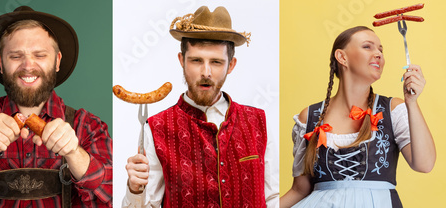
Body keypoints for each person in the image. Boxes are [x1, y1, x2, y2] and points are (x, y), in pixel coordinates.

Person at [0, 6, 113, 207]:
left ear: (57, 61)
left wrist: (74, 153)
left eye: (40, 55)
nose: (27, 66)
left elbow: (112, 194)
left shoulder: (88, 127)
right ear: (1, 63)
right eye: (16, 56)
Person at [122, 6, 278, 207]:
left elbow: (273, 198)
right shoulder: (156, 127)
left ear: (231, 65)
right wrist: (134, 189)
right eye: (196, 60)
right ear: (182, 61)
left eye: (216, 62)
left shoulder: (258, 121)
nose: (206, 72)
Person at [279, 26, 435, 208]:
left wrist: (412, 102)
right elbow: (300, 190)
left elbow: (424, 164)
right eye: (368, 47)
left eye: (381, 50)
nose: (378, 54)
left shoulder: (393, 109)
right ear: (342, 57)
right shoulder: (309, 117)